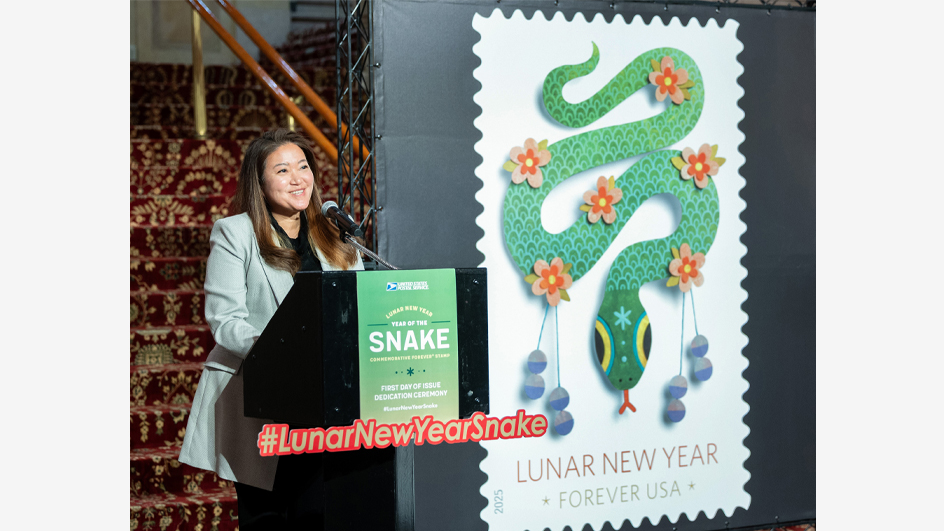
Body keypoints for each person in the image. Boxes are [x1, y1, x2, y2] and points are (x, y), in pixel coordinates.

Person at [179, 129, 362, 529]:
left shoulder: (335, 236)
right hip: (262, 399)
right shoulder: (235, 233)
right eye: (283, 170)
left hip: (326, 402)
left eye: (304, 167)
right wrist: (282, 350)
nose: (298, 178)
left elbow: (357, 310)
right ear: (259, 183)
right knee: (268, 518)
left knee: (318, 515)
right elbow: (225, 321)